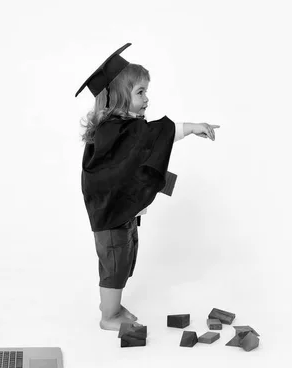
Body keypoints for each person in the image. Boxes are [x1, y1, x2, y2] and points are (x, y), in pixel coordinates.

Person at [76, 43, 220, 331]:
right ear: (118, 97)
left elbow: (144, 144)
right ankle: (109, 317)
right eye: (140, 92)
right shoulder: (113, 133)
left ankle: (112, 307)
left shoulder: (121, 130)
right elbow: (151, 138)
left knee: (122, 259)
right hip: (110, 217)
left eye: (146, 91)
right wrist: (190, 127)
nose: (147, 99)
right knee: (115, 264)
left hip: (119, 214)